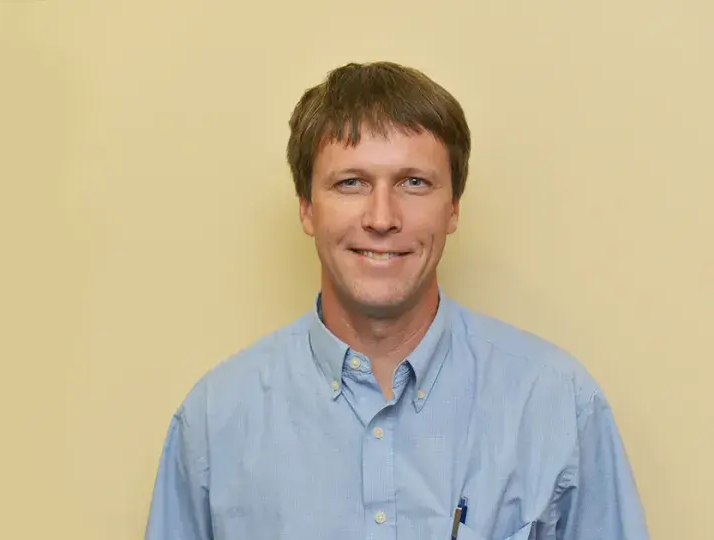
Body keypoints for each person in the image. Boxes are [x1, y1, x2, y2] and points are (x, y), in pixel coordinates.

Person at [144, 61, 649, 540]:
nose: (382, 217)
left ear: (453, 207)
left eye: (414, 183)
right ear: (306, 209)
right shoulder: (214, 422)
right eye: (351, 183)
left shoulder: (558, 407)